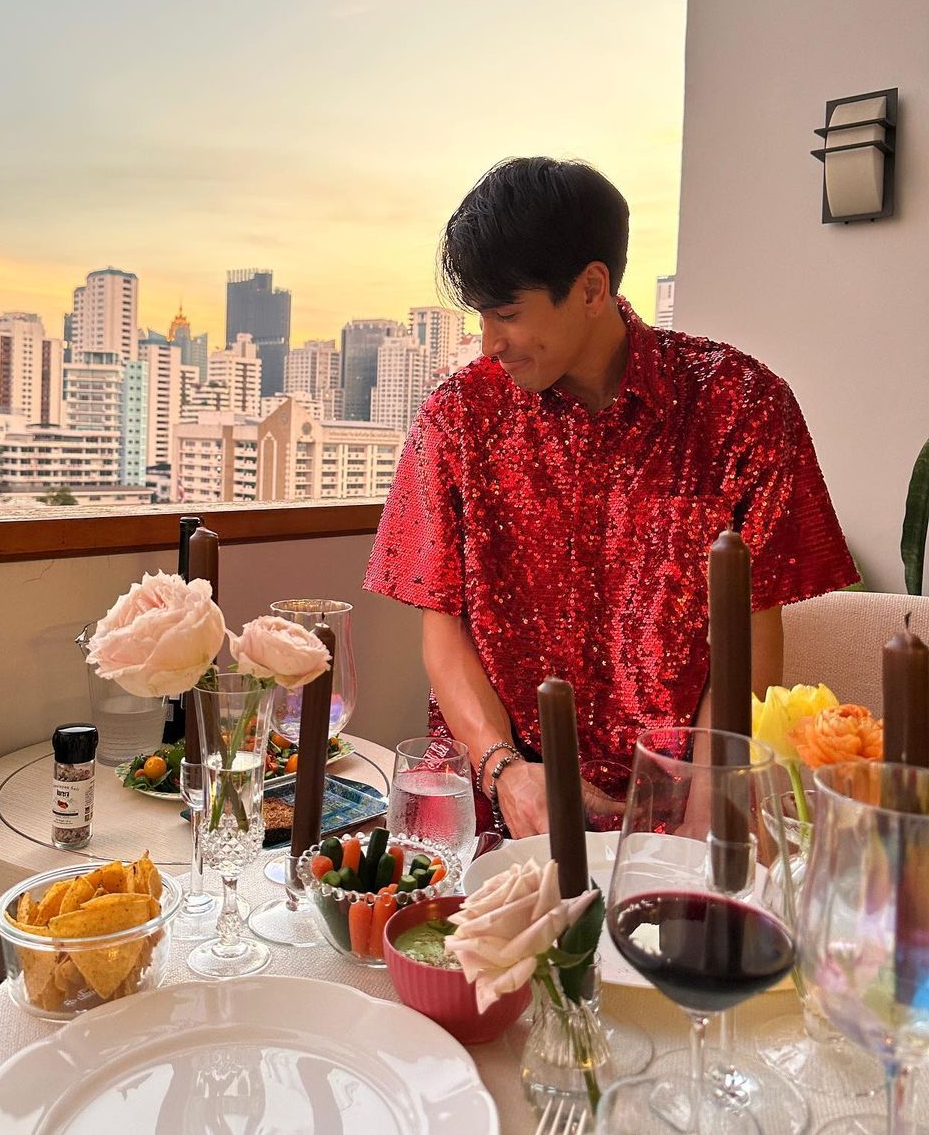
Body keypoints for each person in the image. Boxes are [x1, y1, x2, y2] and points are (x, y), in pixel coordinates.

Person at [364, 157, 857, 837]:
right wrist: (505, 772)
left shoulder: (741, 406)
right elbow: (442, 624)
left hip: (677, 811)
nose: (490, 343)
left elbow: (749, 631)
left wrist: (707, 811)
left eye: (507, 314)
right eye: (482, 316)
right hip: (502, 809)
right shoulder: (457, 418)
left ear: (592, 287)